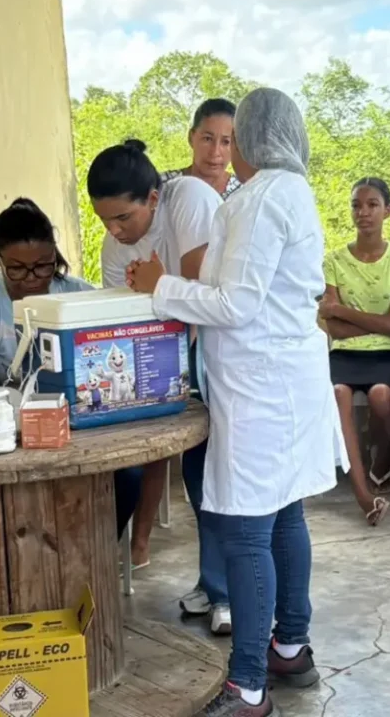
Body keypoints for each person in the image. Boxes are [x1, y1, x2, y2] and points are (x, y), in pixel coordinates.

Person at [128, 87, 340, 717]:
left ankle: (248, 686)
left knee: (248, 531)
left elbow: (235, 304)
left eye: (233, 137)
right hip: (285, 380)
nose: (225, 150)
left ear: (250, 139)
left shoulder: (261, 198)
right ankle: (291, 650)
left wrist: (159, 286)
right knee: (284, 519)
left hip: (261, 389)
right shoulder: (288, 192)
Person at [87, 139, 226, 627]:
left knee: (219, 473)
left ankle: (228, 593)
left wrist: (160, 285)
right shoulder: (113, 244)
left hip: (222, 356)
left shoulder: (186, 197)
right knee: (196, 470)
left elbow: (203, 292)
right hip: (172, 363)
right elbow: (123, 323)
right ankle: (215, 585)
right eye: (104, 220)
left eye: (123, 218)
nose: (114, 231)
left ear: (152, 197)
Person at [0, 200, 140, 535]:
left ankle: (99, 549)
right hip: (11, 435)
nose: (32, 279)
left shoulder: (79, 295)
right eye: (17, 269)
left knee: (128, 473)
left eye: (44, 266)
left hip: (79, 430)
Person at [321, 177, 390, 526]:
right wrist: (382, 322)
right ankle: (363, 493)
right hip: (344, 352)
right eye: (356, 205)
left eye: (372, 204)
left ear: (387, 210)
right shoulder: (333, 260)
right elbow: (331, 327)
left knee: (382, 396)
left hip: (387, 352)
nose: (363, 212)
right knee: (337, 394)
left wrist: (344, 312)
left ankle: (381, 461)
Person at [162, 98, 242, 201]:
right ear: (191, 138)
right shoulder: (162, 187)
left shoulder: (244, 195)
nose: (215, 152)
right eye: (207, 139)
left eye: (226, 142)